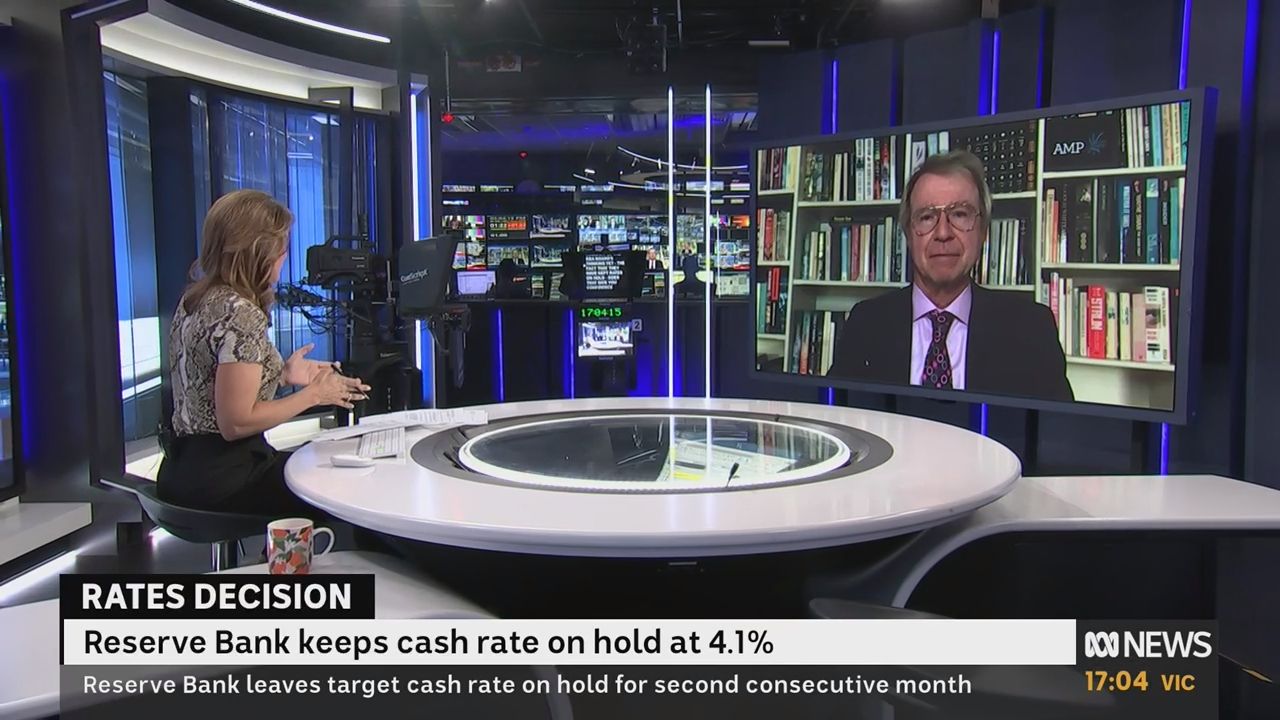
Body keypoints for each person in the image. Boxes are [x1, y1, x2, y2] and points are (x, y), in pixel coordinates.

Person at [157, 189, 371, 514]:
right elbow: (236, 423)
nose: (284, 258)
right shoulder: (241, 313)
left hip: (182, 469)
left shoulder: (196, 300)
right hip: (224, 479)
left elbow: (211, 386)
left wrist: (282, 375)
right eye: (282, 249)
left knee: (320, 467)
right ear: (260, 253)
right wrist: (315, 395)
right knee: (348, 490)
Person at [827, 150, 1073, 402]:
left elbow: (1058, 425)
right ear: (909, 235)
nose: (943, 233)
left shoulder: (1031, 328)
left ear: (983, 232)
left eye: (959, 214)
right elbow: (837, 416)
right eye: (926, 217)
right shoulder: (866, 323)